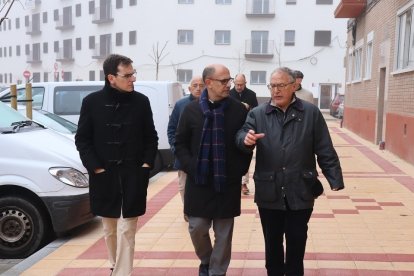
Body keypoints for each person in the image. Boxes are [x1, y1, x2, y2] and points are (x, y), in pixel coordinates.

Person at [236, 67, 344, 276]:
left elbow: (324, 147)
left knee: (297, 242)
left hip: (301, 188)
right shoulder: (258, 114)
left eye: (281, 85)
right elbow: (242, 134)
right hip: (269, 190)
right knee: (272, 243)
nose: (275, 90)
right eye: (272, 86)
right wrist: (245, 140)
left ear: (294, 86)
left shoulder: (310, 113)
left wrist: (334, 178)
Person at [75, 54, 158, 276]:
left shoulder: (141, 102)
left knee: (127, 228)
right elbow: (82, 140)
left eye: (133, 74)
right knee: (109, 228)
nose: (133, 79)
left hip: (133, 175)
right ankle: (114, 264)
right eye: (128, 75)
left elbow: (151, 137)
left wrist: (146, 165)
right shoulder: (91, 102)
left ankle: (122, 273)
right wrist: (96, 168)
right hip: (104, 175)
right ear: (112, 77)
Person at [175, 64, 252, 276]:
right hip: (198, 181)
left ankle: (217, 272)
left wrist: (237, 171)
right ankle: (207, 261)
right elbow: (180, 143)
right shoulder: (190, 110)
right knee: (197, 227)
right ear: (208, 83)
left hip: (226, 182)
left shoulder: (238, 110)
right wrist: (191, 166)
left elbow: (244, 145)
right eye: (224, 81)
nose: (229, 85)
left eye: (229, 80)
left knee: (224, 234)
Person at [167, 76, 204, 222]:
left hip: (202, 154)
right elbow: (171, 128)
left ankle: (199, 209)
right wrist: (175, 148)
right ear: (189, 89)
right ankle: (187, 210)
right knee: (183, 185)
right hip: (183, 154)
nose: (198, 88)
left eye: (201, 85)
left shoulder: (210, 104)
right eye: (195, 85)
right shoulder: (181, 105)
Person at [229, 73, 258, 196]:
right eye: (237, 84)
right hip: (231, 128)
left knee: (245, 154)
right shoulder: (229, 94)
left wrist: (249, 107)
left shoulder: (251, 94)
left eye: (241, 84)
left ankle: (244, 183)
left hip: (247, 128)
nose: (239, 87)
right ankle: (234, 181)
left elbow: (257, 111)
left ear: (245, 83)